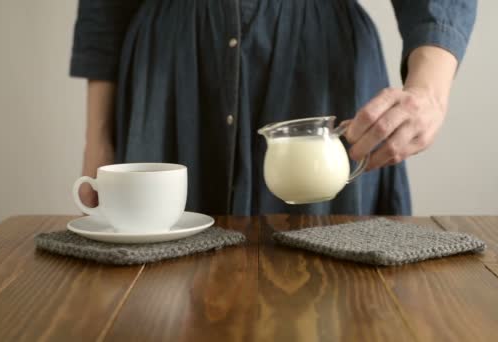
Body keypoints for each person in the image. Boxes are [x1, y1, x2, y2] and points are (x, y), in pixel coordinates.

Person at [71, 0, 476, 216]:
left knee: (331, 289)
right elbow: (103, 8)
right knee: (159, 295)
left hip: (319, 72)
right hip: (171, 80)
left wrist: (429, 92)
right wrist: (98, 139)